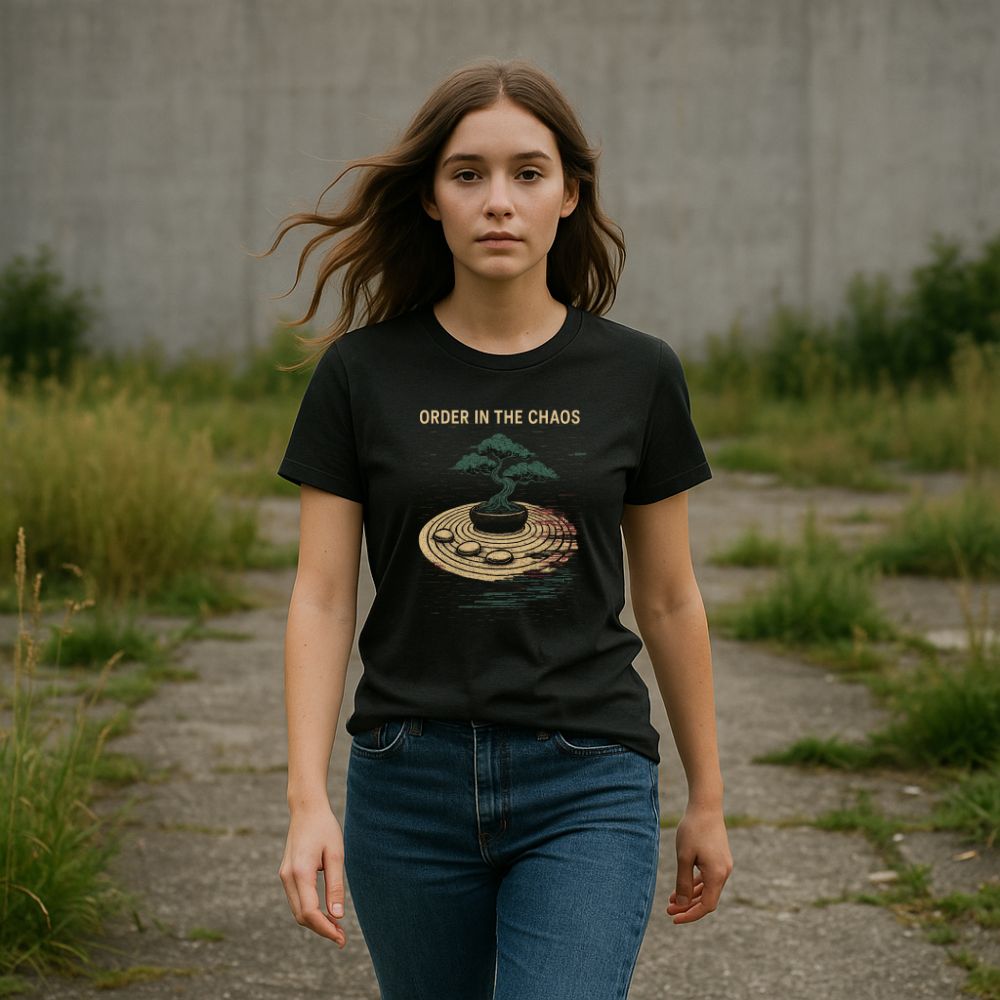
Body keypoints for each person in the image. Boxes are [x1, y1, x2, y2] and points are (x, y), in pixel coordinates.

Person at [262, 56, 733, 1000]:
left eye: (528, 172)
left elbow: (672, 597)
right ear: (431, 199)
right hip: (408, 779)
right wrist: (308, 797)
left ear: (569, 196)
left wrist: (708, 800)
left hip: (587, 777)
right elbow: (319, 598)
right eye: (467, 174)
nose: (498, 202)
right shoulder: (362, 375)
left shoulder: (637, 373)